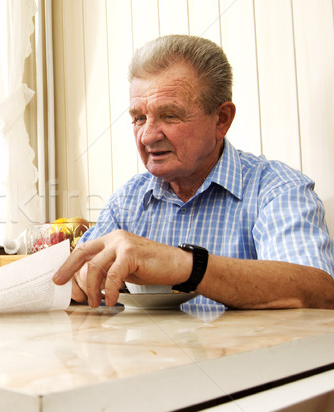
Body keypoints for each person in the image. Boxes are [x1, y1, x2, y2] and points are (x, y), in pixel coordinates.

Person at [53, 34, 334, 311]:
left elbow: (317, 291)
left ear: (221, 119)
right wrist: (78, 281)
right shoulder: (126, 201)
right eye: (139, 118)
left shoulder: (276, 188)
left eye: (170, 115)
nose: (147, 136)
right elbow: (74, 278)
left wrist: (185, 265)